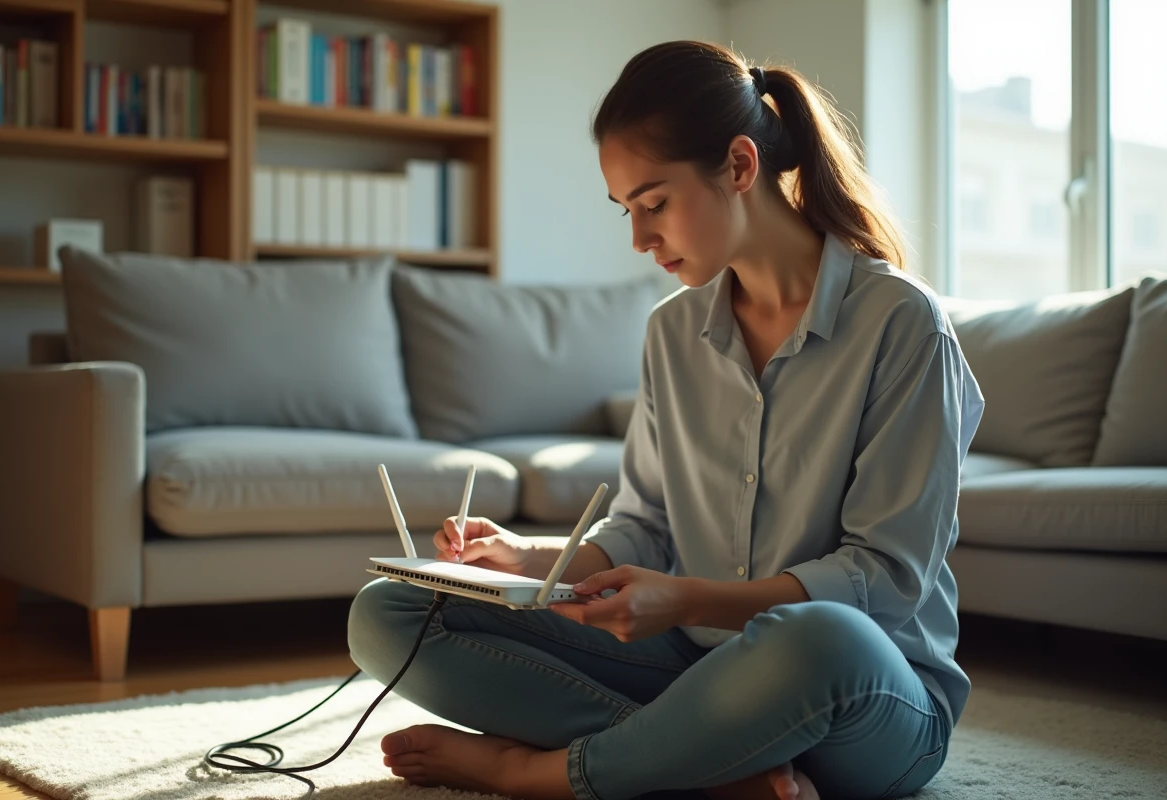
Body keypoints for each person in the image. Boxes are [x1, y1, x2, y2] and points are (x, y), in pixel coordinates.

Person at [347, 39, 983, 800]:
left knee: (821, 639)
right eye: (627, 210)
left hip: (865, 698)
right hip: (694, 669)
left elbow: (886, 578)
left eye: (655, 204)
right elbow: (644, 525)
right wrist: (529, 557)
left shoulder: (902, 324)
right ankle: (713, 768)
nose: (640, 238)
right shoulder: (672, 333)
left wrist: (687, 599)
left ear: (741, 167)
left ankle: (539, 772)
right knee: (392, 613)